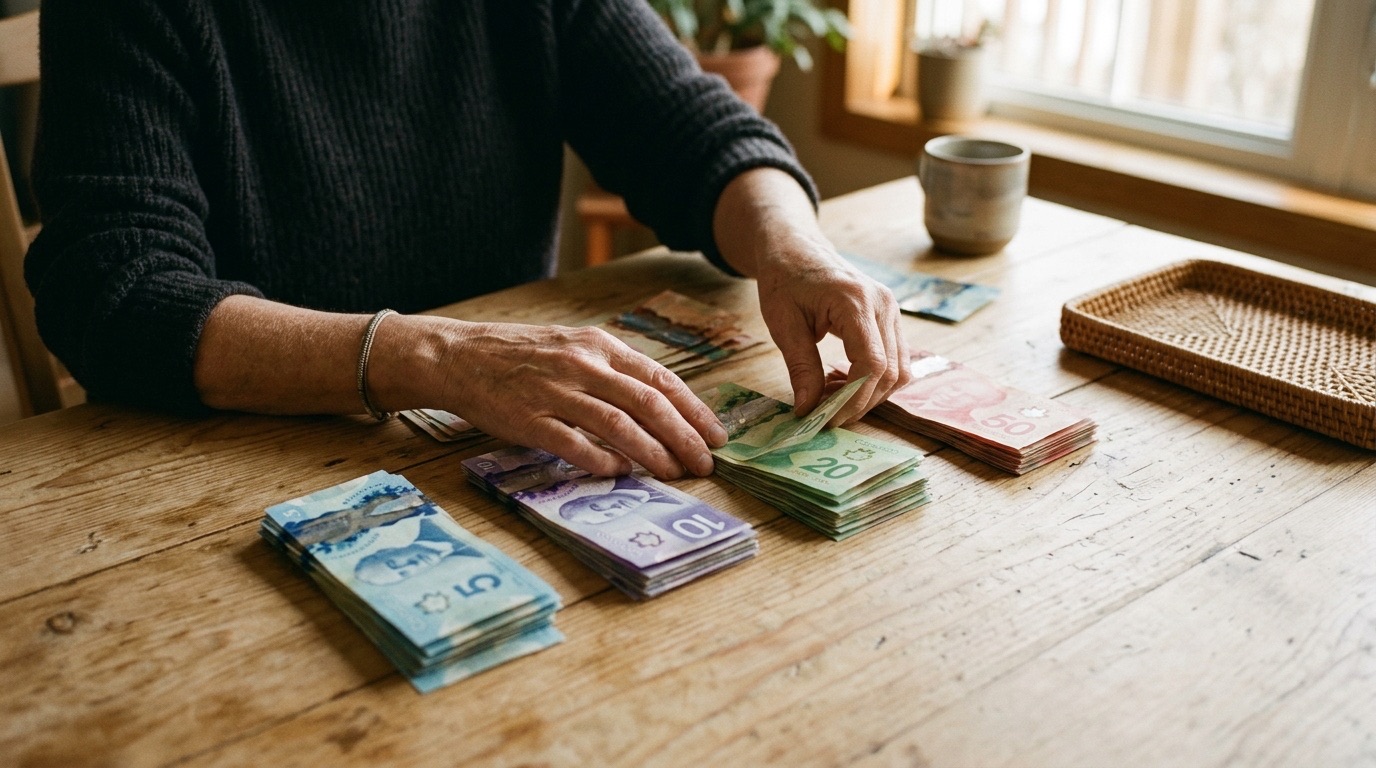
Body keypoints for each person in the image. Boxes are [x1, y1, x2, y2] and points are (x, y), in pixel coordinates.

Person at [26, 0, 911, 482]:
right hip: (230, 468)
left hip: (502, 450)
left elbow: (693, 129)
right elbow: (114, 286)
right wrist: (431, 354)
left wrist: (796, 249)